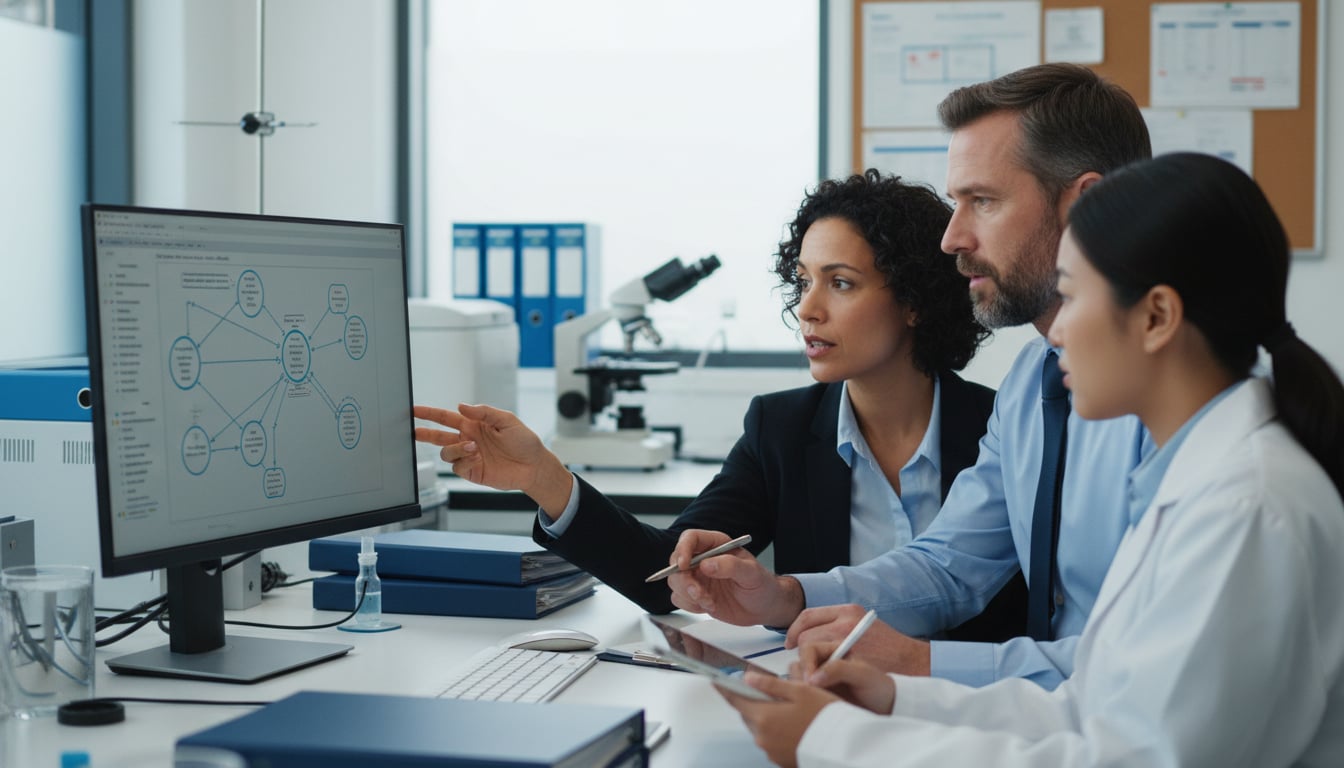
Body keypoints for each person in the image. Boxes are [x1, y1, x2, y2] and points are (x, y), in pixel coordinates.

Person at [717, 152, 1344, 768]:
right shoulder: (1194, 475)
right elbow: (1091, 704)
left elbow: (1132, 758)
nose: (1057, 333)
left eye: (1072, 298)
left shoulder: (1244, 508)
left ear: (1156, 317)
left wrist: (836, 742)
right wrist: (892, 698)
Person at [665, 62, 1152, 690]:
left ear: (1085, 205)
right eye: (956, 203)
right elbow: (951, 565)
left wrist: (920, 665)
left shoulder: (1174, 401)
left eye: (983, 201)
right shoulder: (1033, 384)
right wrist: (784, 597)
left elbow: (1151, 665)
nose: (951, 239)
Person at [416, 170, 1027, 640]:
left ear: (915, 299)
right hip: (829, 711)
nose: (808, 309)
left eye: (840, 283)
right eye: (803, 281)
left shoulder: (1004, 428)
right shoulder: (782, 429)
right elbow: (670, 577)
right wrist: (544, 478)